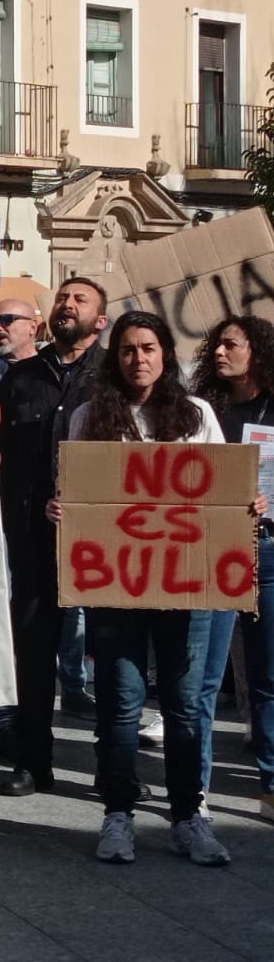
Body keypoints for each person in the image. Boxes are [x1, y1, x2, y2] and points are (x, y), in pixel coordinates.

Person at [49, 310, 239, 866]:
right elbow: (76, 492)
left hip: (183, 585)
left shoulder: (196, 413)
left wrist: (246, 504)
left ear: (165, 355)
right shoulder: (90, 416)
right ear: (116, 358)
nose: (139, 359)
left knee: (183, 706)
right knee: (121, 703)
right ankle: (117, 814)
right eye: (129, 349)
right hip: (117, 587)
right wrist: (61, 508)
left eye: (149, 348)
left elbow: (223, 486)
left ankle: (188, 818)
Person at [0, 277, 110, 798]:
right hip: (33, 539)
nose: (67, 304)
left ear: (100, 321)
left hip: (102, 543)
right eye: (63, 297)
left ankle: (115, 769)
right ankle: (33, 763)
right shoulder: (20, 377)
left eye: (81, 299)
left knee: (112, 655)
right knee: (34, 655)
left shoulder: (114, 377)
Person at [190, 315, 274, 822]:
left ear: (258, 352)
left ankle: (271, 778)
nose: (219, 353)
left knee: (266, 674)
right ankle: (191, 785)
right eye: (215, 345)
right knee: (202, 675)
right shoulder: (203, 410)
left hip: (266, 550)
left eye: (230, 345)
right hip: (212, 551)